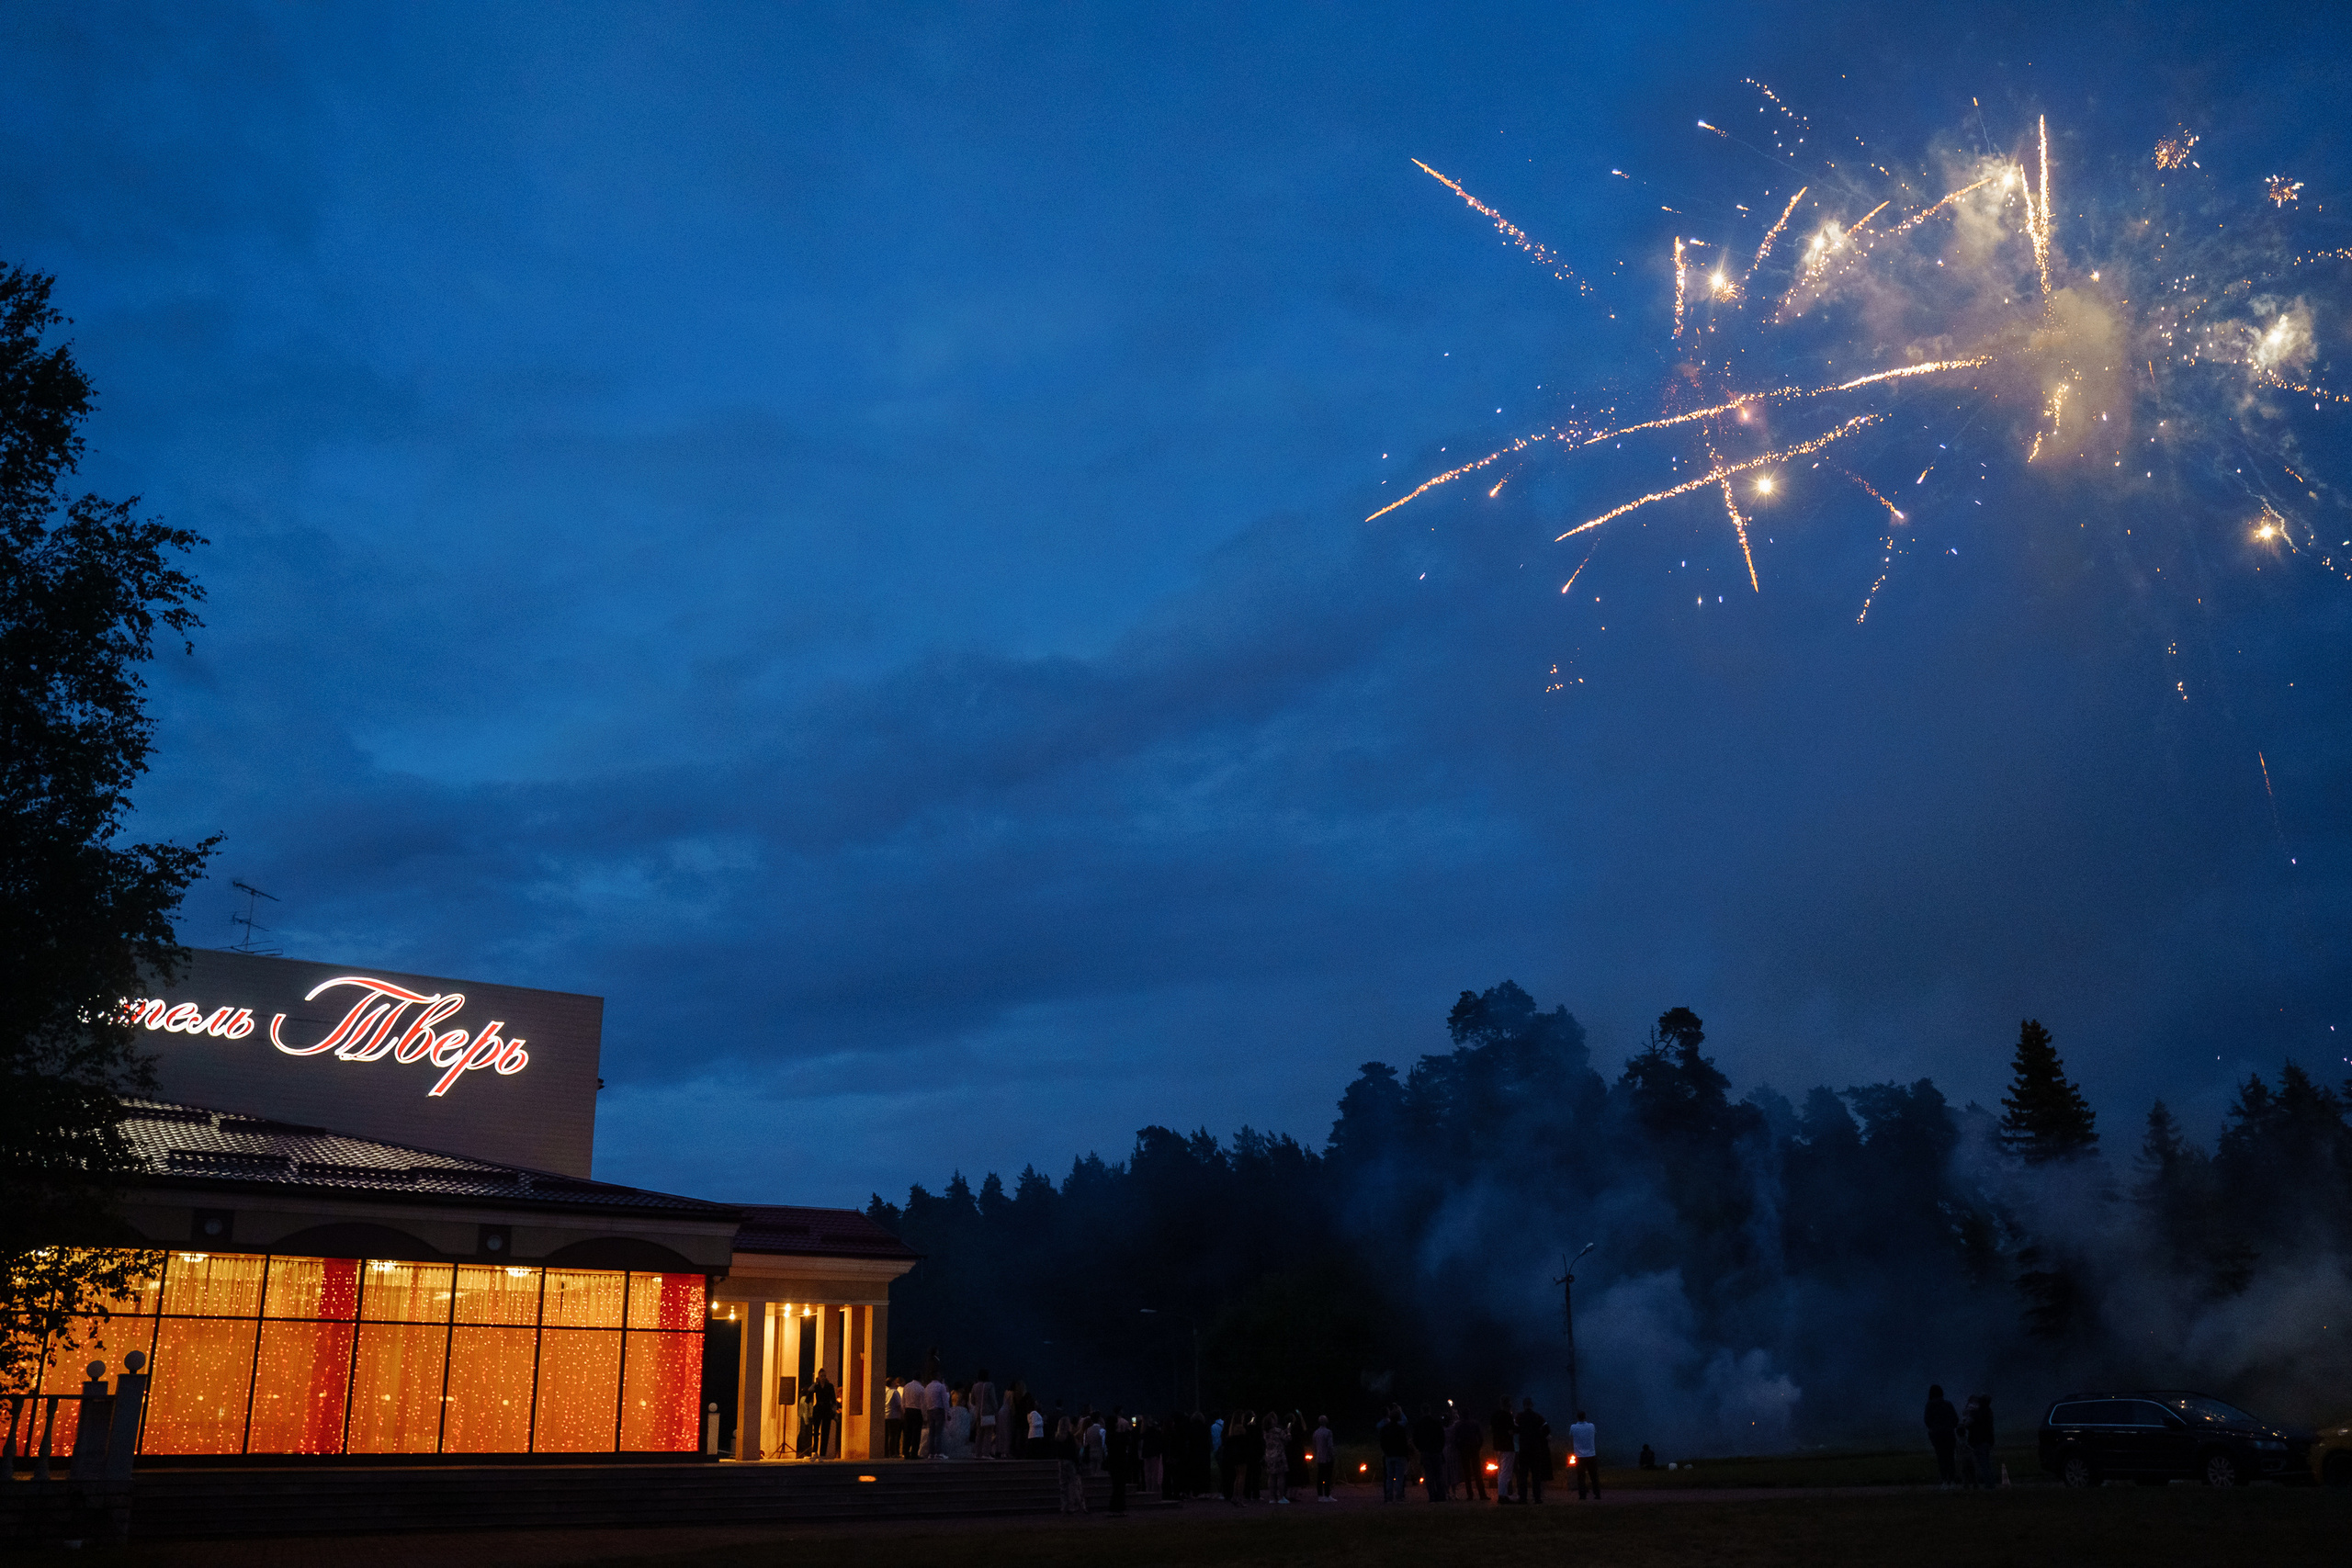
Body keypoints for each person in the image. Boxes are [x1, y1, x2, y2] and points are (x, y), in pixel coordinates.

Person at [1924, 1384, 1960, 1487]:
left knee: (1941, 1458)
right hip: (1949, 1434)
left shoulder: (1930, 1405)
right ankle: (1952, 1481)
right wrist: (1950, 1427)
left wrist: (1934, 1428)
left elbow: (1927, 1420)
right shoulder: (1948, 1404)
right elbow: (1955, 1419)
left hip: (1937, 1435)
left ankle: (1944, 1481)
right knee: (1950, 1458)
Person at [1516, 1398, 1550, 1504]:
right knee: (1536, 1474)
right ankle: (1537, 1498)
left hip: (1524, 1448)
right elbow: (1547, 1429)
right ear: (1531, 1405)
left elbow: (1515, 1429)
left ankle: (1523, 1498)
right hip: (1535, 1448)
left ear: (1523, 1405)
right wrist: (1540, 1437)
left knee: (1523, 1474)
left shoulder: (1519, 1416)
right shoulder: (1537, 1416)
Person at [1412, 1403, 1447, 1502]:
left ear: (1422, 1411)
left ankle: (1432, 1496)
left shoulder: (1419, 1424)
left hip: (1426, 1451)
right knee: (1439, 1474)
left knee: (1429, 1474)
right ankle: (1441, 1495)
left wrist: (1420, 1448)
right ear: (1430, 1411)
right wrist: (1440, 1448)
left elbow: (1415, 1439)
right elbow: (1442, 1437)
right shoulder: (1436, 1423)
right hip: (1436, 1451)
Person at [1377, 1404, 1412, 1502]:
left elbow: (1382, 1442)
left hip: (1388, 1455)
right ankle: (1399, 1496)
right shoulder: (1400, 1428)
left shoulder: (1383, 1428)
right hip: (1400, 1455)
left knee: (1389, 1477)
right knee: (1399, 1477)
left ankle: (1388, 1496)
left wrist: (1386, 1452)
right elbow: (1404, 1442)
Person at [1454, 1404, 1487, 1501]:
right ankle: (1482, 1494)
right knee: (1477, 1472)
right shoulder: (1474, 1424)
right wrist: (1478, 1447)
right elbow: (1480, 1438)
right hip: (1474, 1450)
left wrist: (1459, 1448)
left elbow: (1456, 1439)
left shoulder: (1459, 1425)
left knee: (1467, 1473)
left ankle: (1470, 1495)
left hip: (1464, 1451)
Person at [1055, 1416, 1086, 1513]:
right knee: (1073, 1485)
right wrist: (1078, 1463)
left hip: (1061, 1462)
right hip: (1070, 1462)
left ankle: (1064, 1506)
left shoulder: (1057, 1437)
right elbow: (1074, 1451)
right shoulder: (1070, 1437)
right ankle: (1076, 1505)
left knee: (1063, 1485)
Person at [1964, 1393, 1996, 1489]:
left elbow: (1968, 1424)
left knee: (1983, 1464)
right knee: (1987, 1463)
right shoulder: (1989, 1412)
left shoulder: (1976, 1412)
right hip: (1987, 1440)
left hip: (1978, 1441)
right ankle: (1990, 1482)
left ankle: (1989, 1485)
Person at [808, 1367, 840, 1460]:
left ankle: (822, 1454)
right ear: (818, 1376)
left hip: (826, 1410)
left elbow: (833, 1400)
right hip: (818, 1409)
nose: (823, 1377)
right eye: (821, 1376)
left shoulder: (829, 1386)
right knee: (816, 1432)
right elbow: (808, 1396)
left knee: (825, 1432)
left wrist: (834, 1411)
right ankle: (815, 1452)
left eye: (824, 1376)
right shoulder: (816, 1386)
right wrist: (813, 1386)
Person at [1491, 1400, 1518, 1503]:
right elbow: (1511, 1431)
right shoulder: (1508, 1416)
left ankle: (1502, 1493)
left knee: (1500, 1471)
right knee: (1506, 1472)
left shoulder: (1495, 1415)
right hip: (1507, 1446)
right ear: (1509, 1405)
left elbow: (1491, 1428)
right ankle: (1503, 1496)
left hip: (1497, 1446)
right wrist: (1517, 1429)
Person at [1568, 1410, 1598, 1499]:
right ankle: (1597, 1494)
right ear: (1585, 1417)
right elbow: (1594, 1433)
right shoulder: (1591, 1426)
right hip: (1591, 1454)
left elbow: (1570, 1435)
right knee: (1593, 1476)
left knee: (1581, 1477)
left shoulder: (1573, 1427)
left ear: (1577, 1417)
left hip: (1579, 1456)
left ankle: (1582, 1495)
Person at [1263, 1411, 1291, 1503]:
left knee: (1271, 1476)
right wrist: (1288, 1432)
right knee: (1281, 1476)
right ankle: (1281, 1497)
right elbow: (1287, 1439)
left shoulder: (1265, 1432)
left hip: (1269, 1455)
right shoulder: (1278, 1431)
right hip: (1278, 1455)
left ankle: (1272, 1497)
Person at [972, 1367, 999, 1458]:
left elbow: (972, 1401)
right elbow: (993, 1400)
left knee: (979, 1434)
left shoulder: (975, 1386)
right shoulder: (990, 1385)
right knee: (988, 1434)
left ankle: (977, 1453)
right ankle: (986, 1453)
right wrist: (996, 1411)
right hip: (988, 1413)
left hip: (978, 1413)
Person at [1109, 1414, 1132, 1516]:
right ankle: (1119, 1506)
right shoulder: (1118, 1436)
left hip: (1113, 1463)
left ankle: (1114, 1506)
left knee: (1116, 1485)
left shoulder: (1108, 1436)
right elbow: (1127, 1441)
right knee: (1120, 1486)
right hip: (1120, 1463)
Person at [900, 1373, 928, 1458]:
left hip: (908, 1411)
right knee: (916, 1434)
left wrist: (904, 1411)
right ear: (920, 1379)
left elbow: (903, 1400)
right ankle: (914, 1453)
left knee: (907, 1433)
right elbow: (922, 1404)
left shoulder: (907, 1386)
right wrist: (925, 1416)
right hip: (917, 1411)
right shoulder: (921, 1388)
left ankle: (905, 1452)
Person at [925, 1370, 948, 1458]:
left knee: (931, 1433)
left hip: (929, 1411)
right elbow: (945, 1400)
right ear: (938, 1377)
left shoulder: (927, 1387)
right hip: (939, 1410)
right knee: (939, 1433)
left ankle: (931, 1453)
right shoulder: (941, 1386)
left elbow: (925, 1400)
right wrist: (948, 1413)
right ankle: (938, 1453)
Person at [1313, 1414, 1336, 1502]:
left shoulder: (1315, 1433)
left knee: (1320, 1477)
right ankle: (1327, 1494)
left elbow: (1314, 1446)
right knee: (1327, 1477)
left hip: (1319, 1457)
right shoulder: (1328, 1432)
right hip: (1327, 1458)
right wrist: (1332, 1455)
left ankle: (1320, 1495)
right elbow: (1330, 1446)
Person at [883, 1376, 904, 1459]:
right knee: (893, 1435)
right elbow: (899, 1405)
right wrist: (902, 1414)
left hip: (885, 1415)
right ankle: (893, 1453)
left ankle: (886, 1453)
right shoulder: (894, 1392)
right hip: (894, 1415)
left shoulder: (885, 1391)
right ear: (892, 1383)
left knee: (887, 1435)